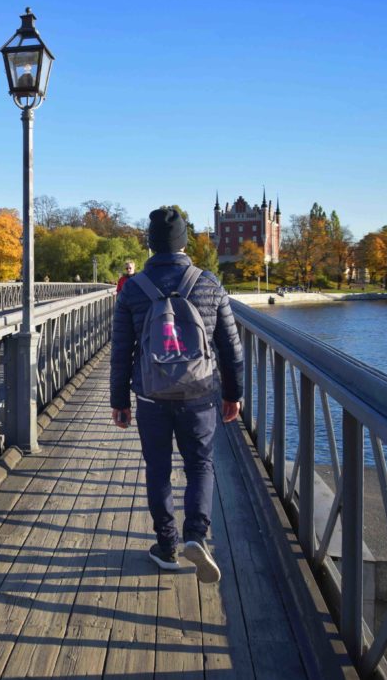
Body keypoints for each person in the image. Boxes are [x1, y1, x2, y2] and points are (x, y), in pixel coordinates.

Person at [110, 207, 243, 582]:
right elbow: (231, 348)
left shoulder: (133, 288)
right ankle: (196, 536)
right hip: (200, 394)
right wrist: (233, 393)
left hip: (151, 395)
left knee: (158, 468)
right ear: (184, 241)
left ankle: (166, 546)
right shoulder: (208, 283)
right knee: (200, 465)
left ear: (150, 243)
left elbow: (121, 350)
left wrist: (119, 401)